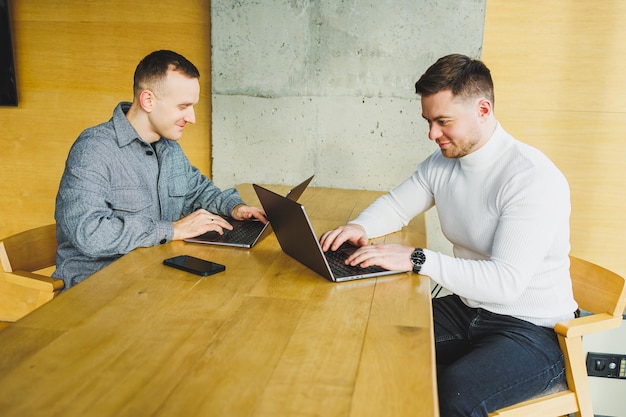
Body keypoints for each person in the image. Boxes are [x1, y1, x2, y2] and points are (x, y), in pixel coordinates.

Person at [320, 54, 576, 416]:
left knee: (453, 393)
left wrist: (416, 258)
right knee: (366, 340)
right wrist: (359, 227)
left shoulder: (530, 178)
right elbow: (396, 206)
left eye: (443, 121)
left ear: (483, 110)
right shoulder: (443, 163)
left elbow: (505, 283)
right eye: (428, 121)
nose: (432, 134)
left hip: (533, 331)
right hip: (469, 309)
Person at [53, 50, 266, 289]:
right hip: (97, 289)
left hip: (153, 277)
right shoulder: (93, 150)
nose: (192, 117)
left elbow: (196, 191)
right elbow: (90, 233)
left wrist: (235, 208)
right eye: (183, 106)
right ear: (148, 101)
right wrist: (172, 229)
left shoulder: (169, 148)